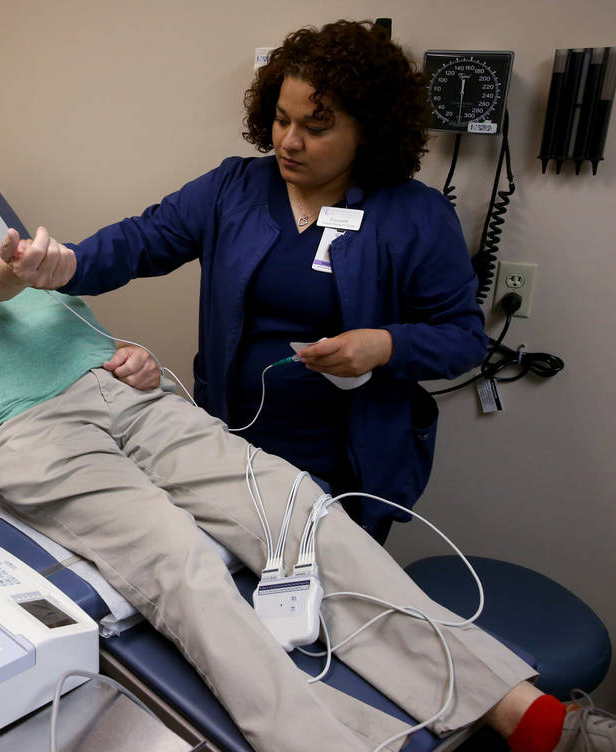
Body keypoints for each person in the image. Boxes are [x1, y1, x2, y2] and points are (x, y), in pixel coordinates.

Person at [0, 159, 613, 752]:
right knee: (182, 561)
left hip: (132, 396)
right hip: (32, 431)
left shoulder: (36, 273)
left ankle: (525, 714)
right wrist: (14, 267)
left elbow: (82, 339)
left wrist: (134, 358)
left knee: (303, 513)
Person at [57, 20, 488, 543]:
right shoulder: (233, 188)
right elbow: (141, 240)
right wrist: (62, 265)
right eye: (282, 119)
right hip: (231, 446)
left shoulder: (416, 216)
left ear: (368, 130)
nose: (289, 141)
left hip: (346, 467)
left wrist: (385, 345)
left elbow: (464, 339)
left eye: (317, 127)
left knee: (319, 606)